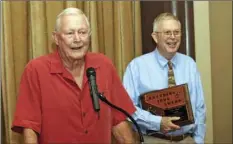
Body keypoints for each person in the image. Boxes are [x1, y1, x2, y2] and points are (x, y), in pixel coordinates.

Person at [11, 7, 137, 144]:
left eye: (82, 32)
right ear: (56, 38)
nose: (77, 39)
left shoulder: (104, 65)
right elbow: (29, 126)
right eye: (70, 33)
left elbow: (118, 119)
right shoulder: (36, 70)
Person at [123, 12, 206, 144]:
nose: (173, 37)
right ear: (155, 37)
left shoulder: (190, 64)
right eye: (167, 32)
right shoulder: (136, 67)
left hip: (187, 139)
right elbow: (128, 108)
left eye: (176, 32)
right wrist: (158, 122)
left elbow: (200, 107)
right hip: (154, 139)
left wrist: (198, 140)